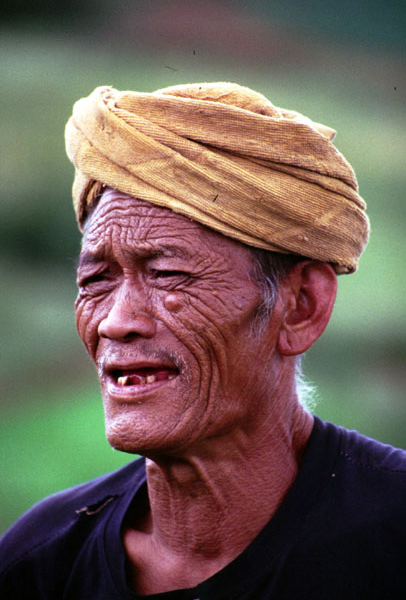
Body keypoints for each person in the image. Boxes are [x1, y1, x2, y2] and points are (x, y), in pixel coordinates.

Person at [1, 82, 405, 599]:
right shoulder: (39, 565)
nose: (115, 322)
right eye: (95, 280)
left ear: (301, 306)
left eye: (168, 274)